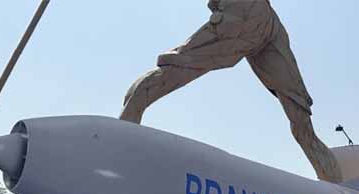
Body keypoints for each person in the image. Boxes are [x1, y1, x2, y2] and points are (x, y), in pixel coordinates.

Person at [121, 0, 342, 183]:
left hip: (267, 19)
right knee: (182, 64)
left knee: (298, 108)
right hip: (242, 12)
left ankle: (335, 184)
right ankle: (125, 128)